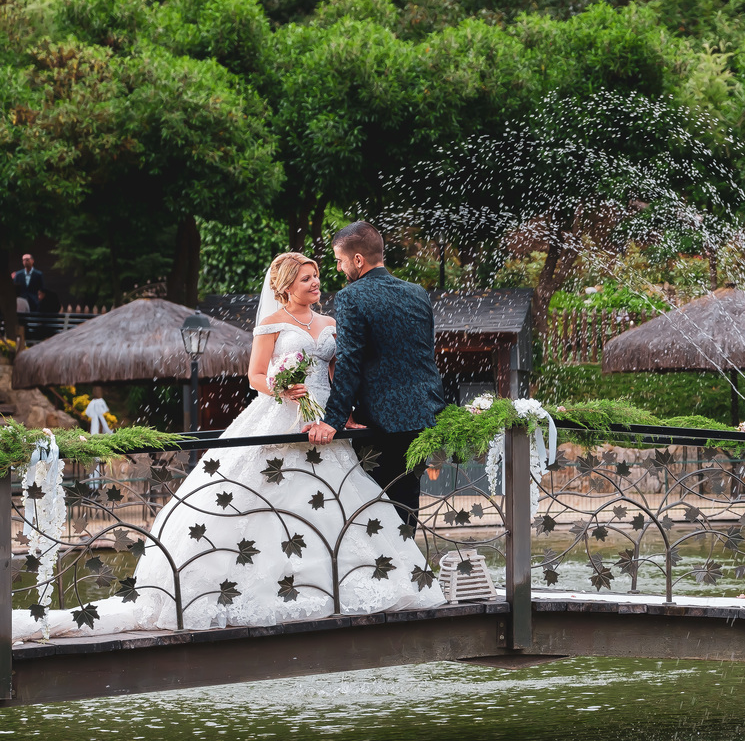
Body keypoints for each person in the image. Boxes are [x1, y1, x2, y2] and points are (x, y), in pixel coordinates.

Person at [12, 251, 443, 640]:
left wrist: (341, 415)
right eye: (307, 278)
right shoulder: (272, 325)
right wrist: (281, 388)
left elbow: (339, 373)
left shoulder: (330, 324)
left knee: (339, 497)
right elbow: (256, 376)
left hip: (325, 423)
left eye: (317, 277)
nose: (316, 284)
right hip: (282, 413)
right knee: (263, 494)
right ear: (286, 286)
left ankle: (342, 579)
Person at [306, 221, 447, 533]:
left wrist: (333, 419)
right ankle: (409, 575)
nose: (340, 268)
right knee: (406, 504)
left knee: (374, 511)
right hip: (424, 415)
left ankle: (390, 574)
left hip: (380, 423)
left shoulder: (351, 297)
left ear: (358, 260)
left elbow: (349, 361)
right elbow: (423, 353)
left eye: (340, 261)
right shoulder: (417, 293)